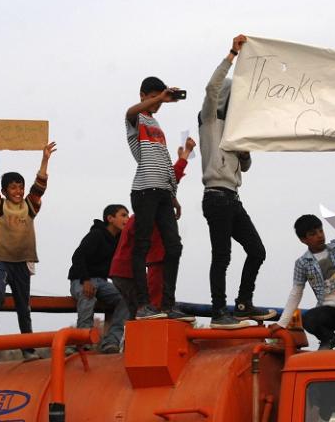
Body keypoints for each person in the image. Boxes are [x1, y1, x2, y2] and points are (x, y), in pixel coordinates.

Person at [199, 34, 274, 328]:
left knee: (257, 250)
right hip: (216, 195)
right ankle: (220, 312)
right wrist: (232, 54)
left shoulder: (235, 129)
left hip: (233, 196)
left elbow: (246, 165)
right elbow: (212, 87)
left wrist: (245, 150)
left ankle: (243, 304)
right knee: (222, 256)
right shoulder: (209, 121)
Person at [0, 141, 56, 360]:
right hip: (2, 259)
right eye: (13, 187)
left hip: (23, 260)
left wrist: (45, 158)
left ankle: (27, 348)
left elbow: (40, 186)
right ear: (4, 191)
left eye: (20, 187)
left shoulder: (30, 205)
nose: (18, 191)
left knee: (23, 304)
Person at [125, 76, 192, 321]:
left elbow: (163, 162)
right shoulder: (137, 119)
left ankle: (167, 303)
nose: (158, 102)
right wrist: (158, 98)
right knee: (141, 246)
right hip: (144, 190)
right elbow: (129, 111)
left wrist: (173, 195)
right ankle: (143, 304)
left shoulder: (157, 126)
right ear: (143, 95)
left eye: (161, 99)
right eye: (153, 97)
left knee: (174, 246)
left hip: (163, 191)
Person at [111, 139, 196, 318]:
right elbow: (171, 179)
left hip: (125, 271)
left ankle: (126, 341)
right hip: (134, 270)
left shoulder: (146, 212)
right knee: (149, 312)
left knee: (135, 314)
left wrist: (184, 156)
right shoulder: (153, 214)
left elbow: (171, 179)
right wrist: (185, 156)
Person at [270, 215, 335, 348]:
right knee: (309, 319)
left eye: (321, 231)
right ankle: (329, 339)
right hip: (329, 310)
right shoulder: (302, 263)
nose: (319, 236)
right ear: (303, 240)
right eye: (313, 234)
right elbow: (296, 292)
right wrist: (282, 322)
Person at [68, 204, 130, 354]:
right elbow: (78, 257)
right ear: (110, 218)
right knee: (88, 295)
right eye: (123, 215)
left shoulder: (119, 241)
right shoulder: (96, 235)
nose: (127, 219)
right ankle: (83, 341)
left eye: (128, 216)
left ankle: (111, 341)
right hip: (81, 279)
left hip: (102, 282)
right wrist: (86, 280)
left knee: (127, 299)